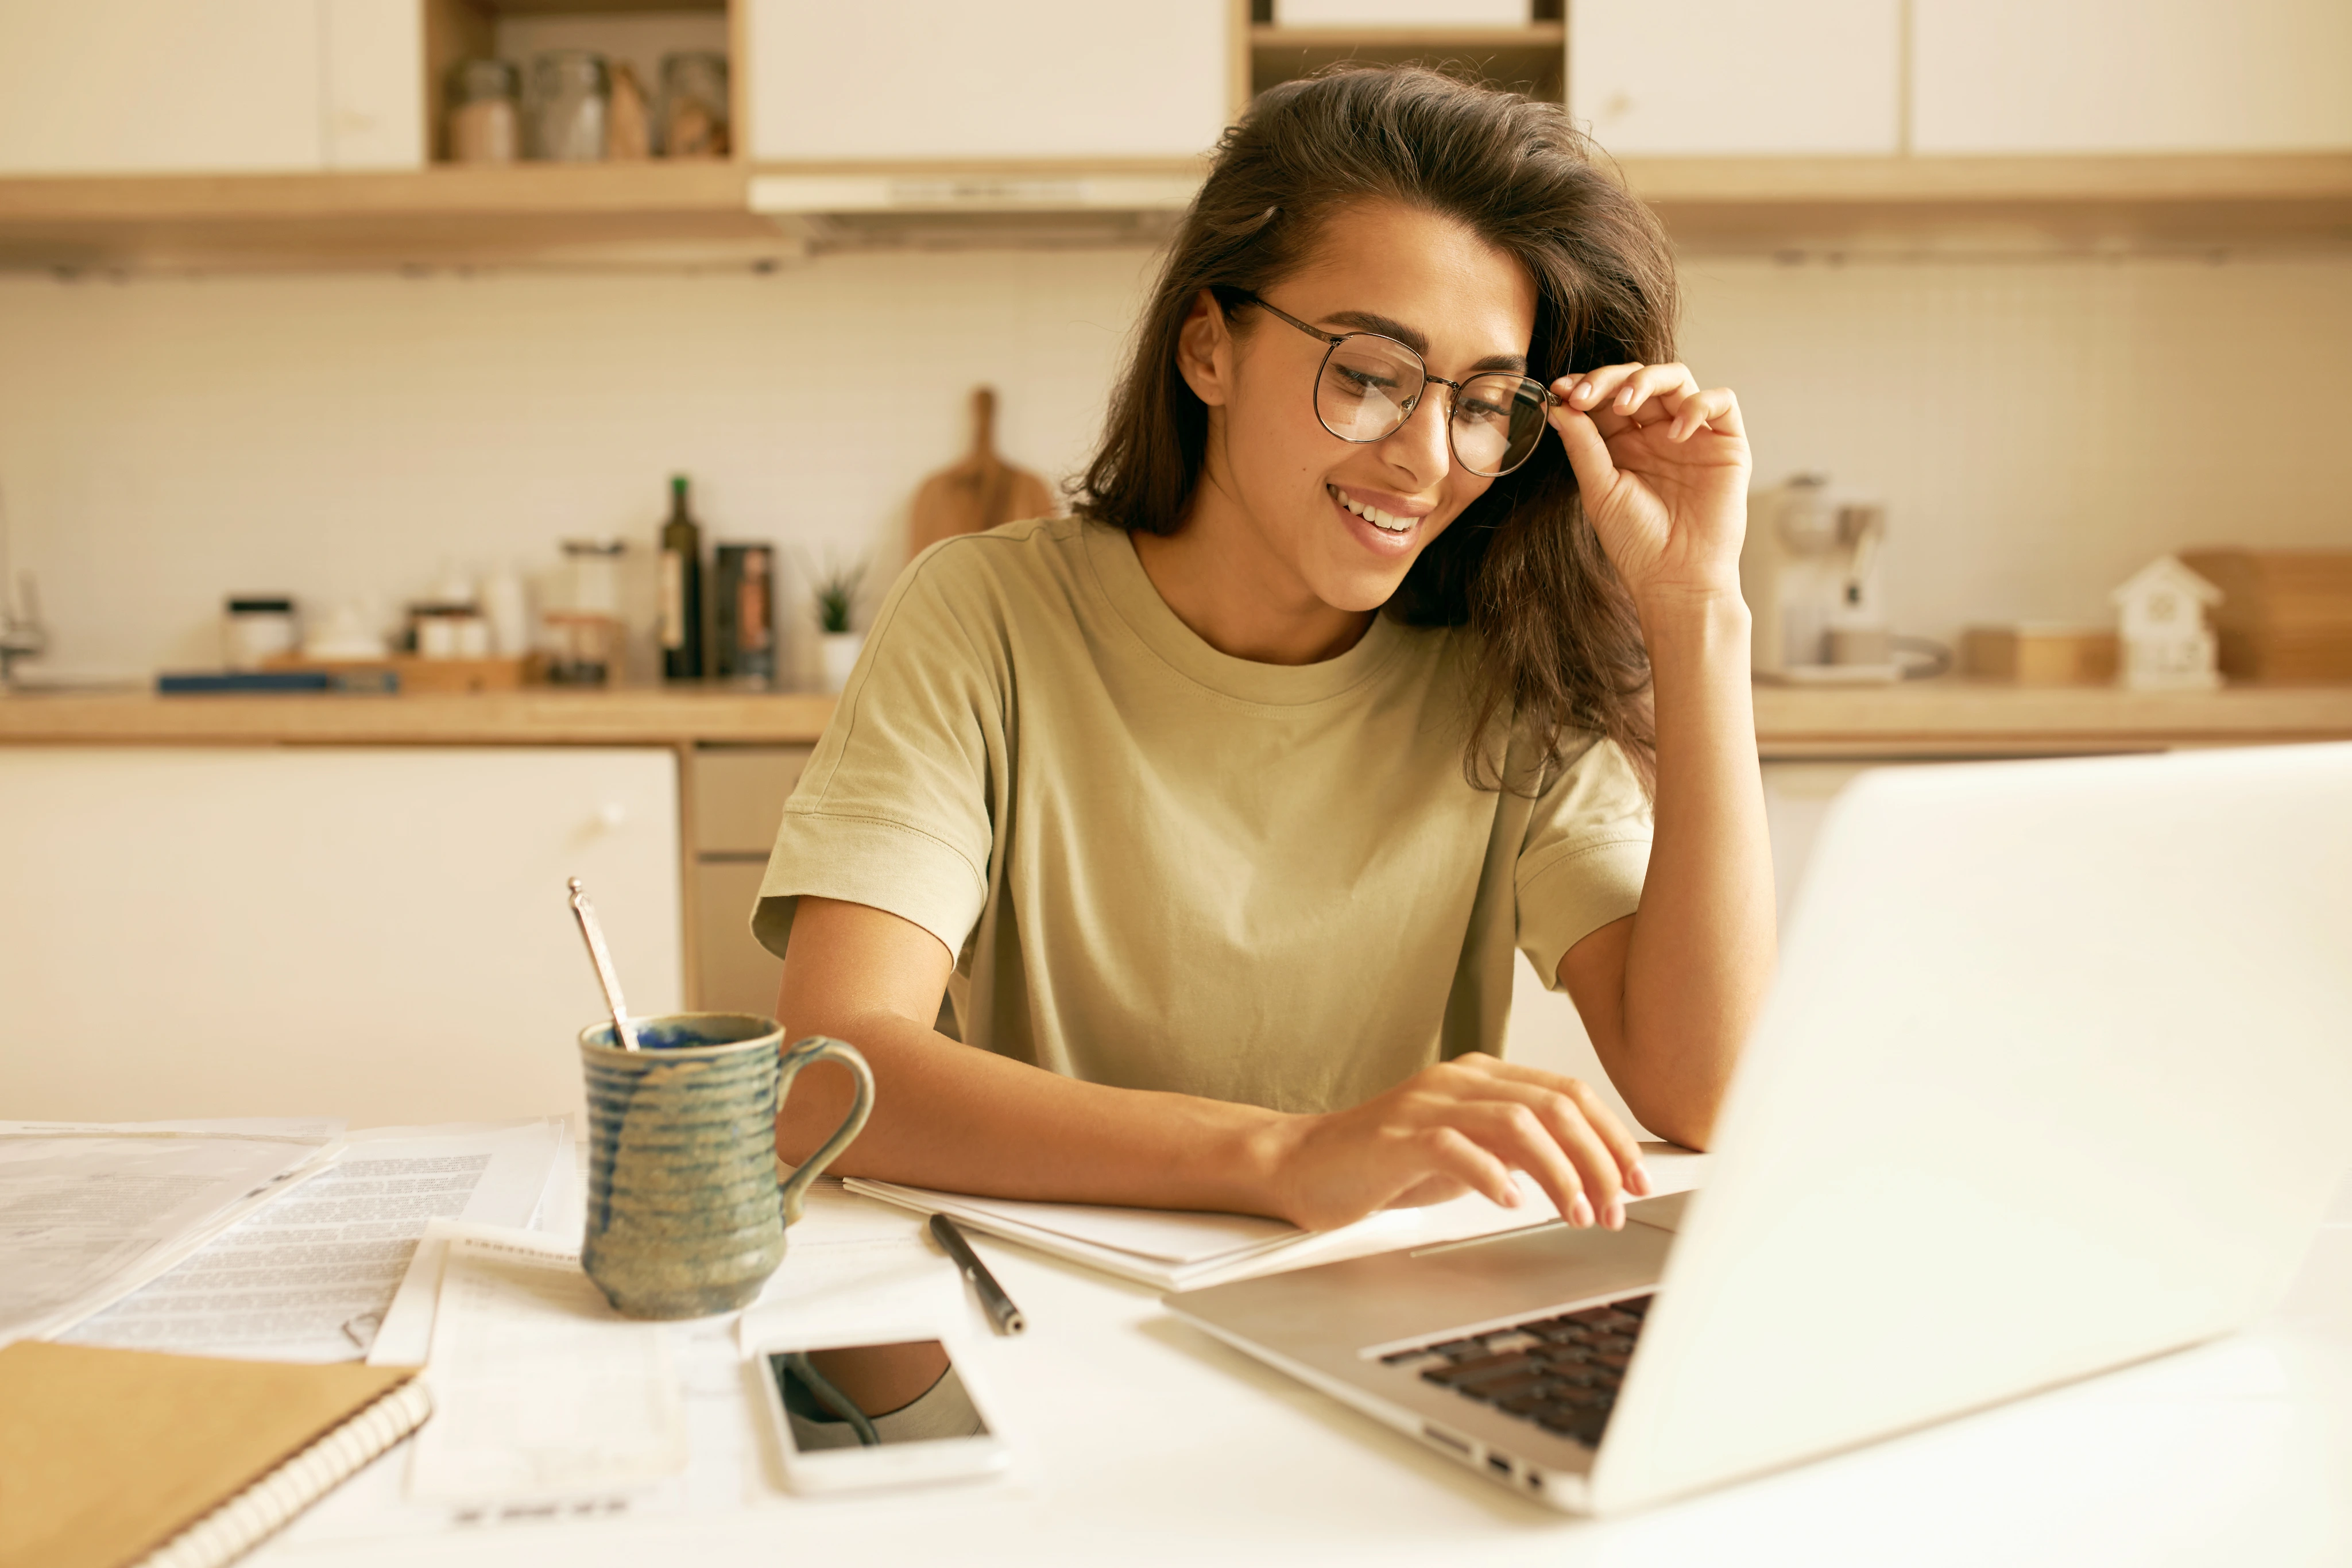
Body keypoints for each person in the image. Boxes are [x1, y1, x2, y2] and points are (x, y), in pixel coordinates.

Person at [754, 64, 1775, 1243]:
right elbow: (824, 1075)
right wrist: (1284, 1157)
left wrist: (1697, 605)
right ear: (1207, 349)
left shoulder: (1504, 677)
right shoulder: (988, 613)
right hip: (1052, 1308)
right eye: (1366, 377)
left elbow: (1706, 1093)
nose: (1424, 459)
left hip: (1370, 1317)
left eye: (1483, 401)